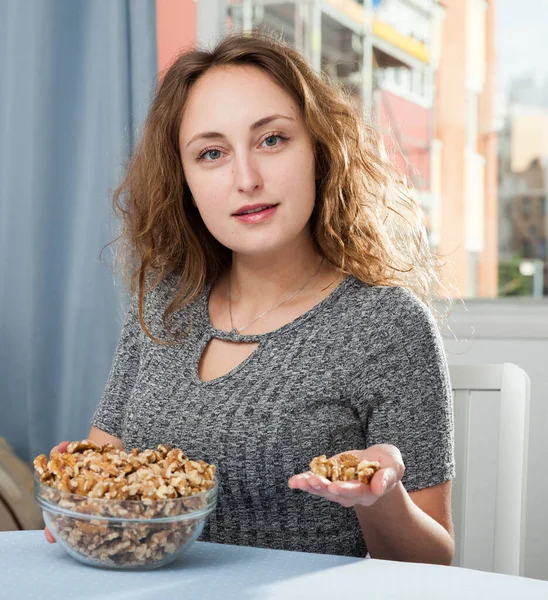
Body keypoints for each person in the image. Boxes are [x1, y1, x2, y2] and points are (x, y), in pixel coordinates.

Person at [46, 32, 455, 564]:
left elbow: (436, 566)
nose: (246, 178)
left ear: (320, 151)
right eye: (211, 153)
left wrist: (380, 498)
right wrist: (74, 501)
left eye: (272, 140)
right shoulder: (164, 305)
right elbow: (99, 474)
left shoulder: (389, 326)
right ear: (184, 180)